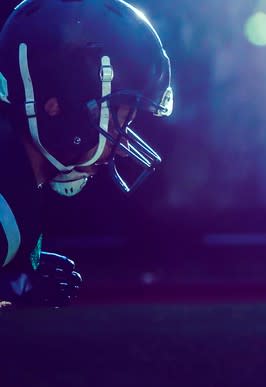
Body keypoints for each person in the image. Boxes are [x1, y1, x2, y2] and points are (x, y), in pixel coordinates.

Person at [0, 0, 173, 308]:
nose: (121, 146)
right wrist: (10, 287)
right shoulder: (9, 202)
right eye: (119, 119)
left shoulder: (16, 180)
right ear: (58, 106)